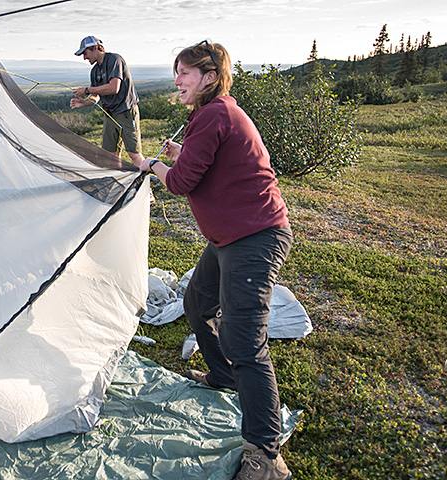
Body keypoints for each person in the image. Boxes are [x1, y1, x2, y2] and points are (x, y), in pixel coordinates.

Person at [140, 40, 293, 480]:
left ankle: (265, 455)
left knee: (246, 340)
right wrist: (177, 155)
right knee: (198, 303)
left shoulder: (213, 114)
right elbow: (199, 164)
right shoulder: (215, 113)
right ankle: (223, 376)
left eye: (184, 73)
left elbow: (183, 181)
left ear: (209, 76)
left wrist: (152, 164)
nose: (177, 80)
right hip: (231, 237)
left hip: (254, 238)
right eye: (176, 73)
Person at [70, 35, 145, 168]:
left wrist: (86, 90)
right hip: (110, 114)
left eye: (85, 53)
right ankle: (117, 183)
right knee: (111, 154)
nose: (84, 57)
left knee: (134, 154)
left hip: (126, 111)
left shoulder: (115, 60)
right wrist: (84, 102)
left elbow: (114, 87)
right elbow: (95, 97)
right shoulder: (94, 71)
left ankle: (149, 179)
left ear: (94, 48)